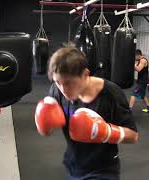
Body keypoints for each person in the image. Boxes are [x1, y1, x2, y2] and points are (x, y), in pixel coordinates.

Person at [34, 47, 138, 180]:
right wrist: (43, 124)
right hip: (73, 166)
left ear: (85, 74)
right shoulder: (56, 91)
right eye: (58, 82)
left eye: (69, 83)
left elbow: (133, 136)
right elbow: (46, 131)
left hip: (103, 170)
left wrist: (106, 132)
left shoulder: (111, 94)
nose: (63, 89)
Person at [129, 49, 149, 113]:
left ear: (138, 55)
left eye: (135, 56)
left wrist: (132, 64)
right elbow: (136, 69)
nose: (134, 58)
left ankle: (129, 111)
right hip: (141, 80)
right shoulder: (140, 60)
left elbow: (139, 69)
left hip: (142, 81)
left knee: (133, 94)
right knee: (143, 95)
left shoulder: (143, 60)